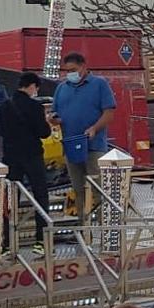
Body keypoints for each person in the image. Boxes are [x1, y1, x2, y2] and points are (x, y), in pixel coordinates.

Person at [52, 52, 118, 219]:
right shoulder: (62, 88)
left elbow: (109, 113)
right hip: (71, 147)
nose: (70, 74)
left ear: (84, 66)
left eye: (73, 69)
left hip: (94, 146)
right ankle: (83, 229)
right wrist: (53, 119)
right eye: (67, 71)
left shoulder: (99, 84)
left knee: (99, 189)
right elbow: (55, 113)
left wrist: (95, 128)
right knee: (78, 189)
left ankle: (107, 228)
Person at [0, 71, 52, 217]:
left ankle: (8, 234)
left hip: (10, 155)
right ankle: (41, 236)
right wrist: (47, 121)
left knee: (10, 196)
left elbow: (1, 129)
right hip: (32, 155)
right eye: (37, 88)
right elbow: (44, 133)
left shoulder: (5, 106)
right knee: (40, 193)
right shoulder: (35, 107)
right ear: (33, 86)